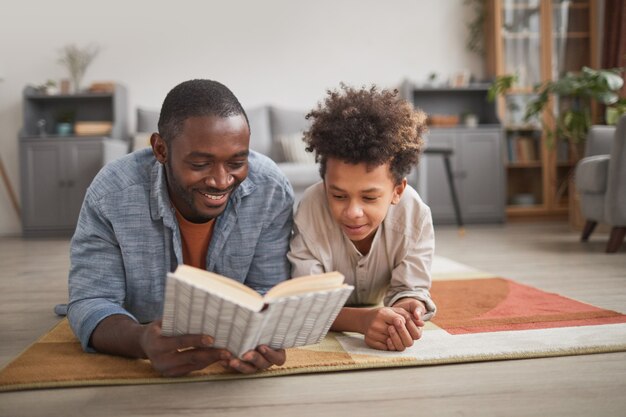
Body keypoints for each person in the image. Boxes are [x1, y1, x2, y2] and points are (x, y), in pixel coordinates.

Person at [67, 79, 294, 376]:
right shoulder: (111, 195)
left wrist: (266, 337)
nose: (221, 180)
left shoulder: (270, 189)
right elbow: (90, 300)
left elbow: (269, 289)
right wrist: (140, 341)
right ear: (160, 149)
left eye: (237, 162)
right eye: (200, 164)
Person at [287, 84, 436, 352]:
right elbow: (305, 303)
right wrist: (363, 321)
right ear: (324, 183)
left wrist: (406, 310)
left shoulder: (415, 216)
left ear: (397, 191)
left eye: (369, 198)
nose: (353, 212)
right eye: (339, 196)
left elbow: (411, 289)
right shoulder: (311, 208)